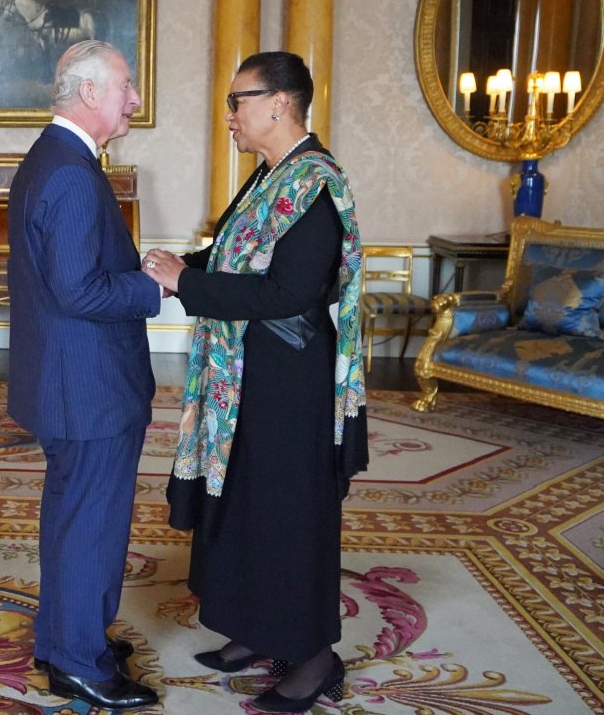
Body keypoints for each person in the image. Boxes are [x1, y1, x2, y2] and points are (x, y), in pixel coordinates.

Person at [142, 51, 369, 713]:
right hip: (246, 375)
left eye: (238, 101)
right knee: (241, 501)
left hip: (288, 381)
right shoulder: (271, 176)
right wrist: (187, 263)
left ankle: (312, 657)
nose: (229, 116)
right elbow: (233, 253)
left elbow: (288, 292)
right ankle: (254, 629)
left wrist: (186, 282)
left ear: (280, 103)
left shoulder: (316, 183)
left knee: (284, 514)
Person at [7, 40, 161, 711]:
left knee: (73, 518)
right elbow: (79, 291)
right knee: (91, 524)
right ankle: (79, 663)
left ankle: (64, 637)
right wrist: (156, 288)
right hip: (89, 388)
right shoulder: (70, 172)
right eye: (126, 86)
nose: (133, 99)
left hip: (67, 382)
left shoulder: (53, 158)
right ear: (92, 92)